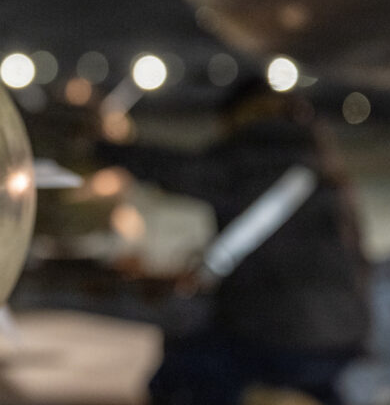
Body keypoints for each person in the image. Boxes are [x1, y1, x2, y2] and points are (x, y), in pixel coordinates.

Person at [99, 77, 369, 405]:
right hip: (344, 339)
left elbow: (178, 170)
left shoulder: (255, 152)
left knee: (179, 372)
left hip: (276, 340)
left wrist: (103, 149)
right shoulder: (324, 163)